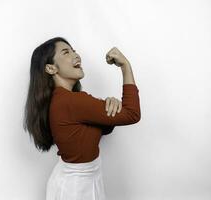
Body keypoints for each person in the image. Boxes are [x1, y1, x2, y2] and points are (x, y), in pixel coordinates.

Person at [23, 37, 141, 200]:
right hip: (74, 190)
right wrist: (125, 66)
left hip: (83, 182)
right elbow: (132, 114)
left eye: (74, 51)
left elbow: (100, 129)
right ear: (50, 68)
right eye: (66, 52)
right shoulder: (71, 101)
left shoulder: (66, 99)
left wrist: (110, 107)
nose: (76, 55)